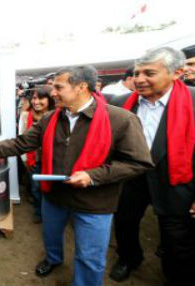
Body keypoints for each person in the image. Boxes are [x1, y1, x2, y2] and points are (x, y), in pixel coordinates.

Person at [0, 65, 153, 286]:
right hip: (54, 195)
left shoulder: (121, 119)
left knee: (89, 257)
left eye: (58, 87)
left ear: (81, 87)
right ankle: (53, 260)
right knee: (51, 236)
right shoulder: (50, 119)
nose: (52, 92)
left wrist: (93, 176)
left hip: (95, 202)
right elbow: (22, 143)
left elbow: (139, 162)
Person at [108, 47, 195, 285]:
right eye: (136, 73)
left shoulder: (193, 101)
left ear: (176, 73)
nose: (139, 79)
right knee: (125, 222)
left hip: (177, 180)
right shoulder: (121, 102)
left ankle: (176, 275)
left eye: (149, 73)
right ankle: (128, 258)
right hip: (130, 177)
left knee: (176, 236)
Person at [19, 85, 55, 223]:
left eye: (41, 98)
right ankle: (39, 212)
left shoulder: (56, 115)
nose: (36, 102)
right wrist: (24, 159)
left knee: (52, 188)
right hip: (33, 158)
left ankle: (51, 213)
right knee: (35, 187)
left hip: (52, 158)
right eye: (34, 98)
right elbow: (21, 138)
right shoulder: (25, 115)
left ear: (50, 99)